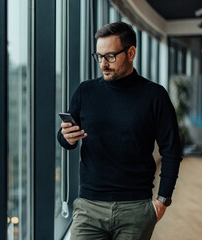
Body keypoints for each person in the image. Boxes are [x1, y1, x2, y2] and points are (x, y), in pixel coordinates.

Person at [57, 21, 182, 240]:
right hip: (89, 208)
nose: (103, 64)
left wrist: (162, 200)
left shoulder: (155, 96)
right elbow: (66, 138)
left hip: (136, 209)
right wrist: (66, 137)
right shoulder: (85, 92)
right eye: (98, 56)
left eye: (110, 56)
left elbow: (171, 151)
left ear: (131, 53)